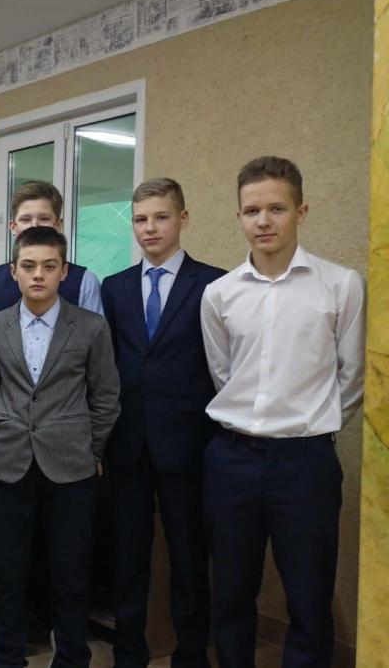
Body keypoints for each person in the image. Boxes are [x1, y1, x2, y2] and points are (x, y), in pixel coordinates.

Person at [200, 157, 365, 668]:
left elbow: (352, 376)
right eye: (252, 211)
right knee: (231, 590)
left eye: (276, 208)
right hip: (232, 460)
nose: (263, 221)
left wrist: (308, 423)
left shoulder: (340, 285)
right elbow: (223, 374)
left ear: (301, 211)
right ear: (239, 217)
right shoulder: (219, 294)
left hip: (305, 463)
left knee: (309, 594)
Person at [0, 226, 120, 668]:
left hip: (71, 464)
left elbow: (106, 397)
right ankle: (7, 657)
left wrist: (92, 450)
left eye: (49, 266)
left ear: (63, 272)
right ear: (14, 271)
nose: (38, 275)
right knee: (8, 570)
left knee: (70, 572)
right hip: (9, 462)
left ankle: (71, 658)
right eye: (29, 266)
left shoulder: (91, 327)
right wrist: (1, 428)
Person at [100, 178, 223, 668]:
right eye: (140, 219)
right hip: (128, 444)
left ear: (182, 219)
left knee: (189, 558)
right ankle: (129, 652)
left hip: (188, 444)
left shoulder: (214, 284)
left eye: (161, 217)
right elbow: (107, 366)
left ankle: (191, 654)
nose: (149, 228)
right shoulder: (114, 287)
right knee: (128, 558)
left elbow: (222, 366)